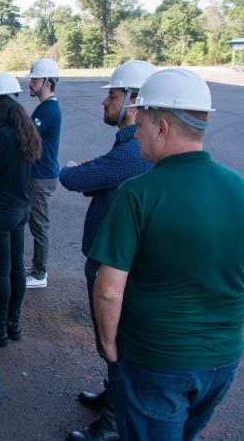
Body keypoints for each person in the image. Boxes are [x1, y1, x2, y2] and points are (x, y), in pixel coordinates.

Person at [90, 68, 244, 441]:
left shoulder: (137, 193)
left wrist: (108, 343)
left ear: (162, 128)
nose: (135, 132)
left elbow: (108, 288)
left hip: (154, 358)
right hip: (222, 359)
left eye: (140, 124)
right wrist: (220, 317)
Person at [59, 60, 157, 441]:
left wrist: (78, 170)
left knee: (112, 336)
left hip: (111, 261)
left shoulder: (132, 151)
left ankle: (114, 421)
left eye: (112, 95)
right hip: (109, 254)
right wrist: (96, 174)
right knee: (112, 336)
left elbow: (75, 178)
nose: (104, 101)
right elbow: (103, 180)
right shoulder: (127, 149)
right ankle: (113, 396)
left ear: (133, 101)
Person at [0, 73, 41, 347]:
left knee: (1, 271)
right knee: (17, 269)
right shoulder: (25, 130)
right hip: (21, 209)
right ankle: (14, 324)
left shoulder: (0, 136)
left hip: (0, 211)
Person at [25, 58, 62, 289]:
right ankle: (37, 269)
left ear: (47, 82)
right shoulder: (46, 108)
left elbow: (25, 135)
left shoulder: (48, 110)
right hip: (40, 174)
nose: (30, 83)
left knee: (39, 224)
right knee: (36, 222)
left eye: (34, 79)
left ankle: (40, 274)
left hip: (42, 176)